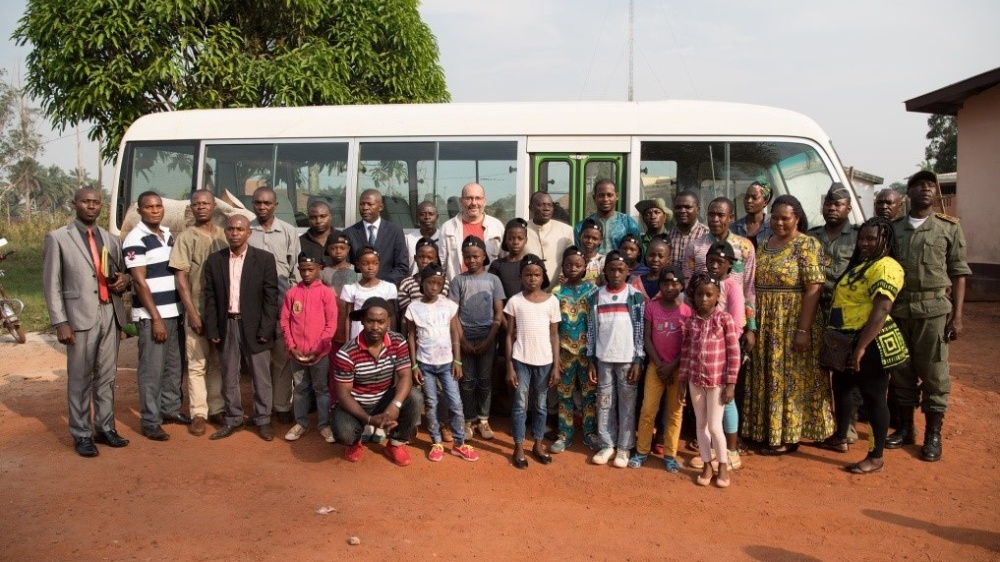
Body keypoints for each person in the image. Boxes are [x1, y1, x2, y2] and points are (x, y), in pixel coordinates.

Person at [887, 170, 971, 462]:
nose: (925, 190)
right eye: (919, 185)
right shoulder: (894, 228)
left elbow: (959, 273)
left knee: (935, 374)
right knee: (901, 371)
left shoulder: (949, 228)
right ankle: (906, 428)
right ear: (908, 192)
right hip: (898, 309)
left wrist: (957, 317)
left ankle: (932, 435)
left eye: (930, 186)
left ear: (936, 194)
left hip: (934, 310)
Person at [43, 187, 132, 457]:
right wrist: (60, 322)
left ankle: (105, 428)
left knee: (106, 376)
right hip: (80, 317)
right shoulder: (58, 238)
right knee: (80, 377)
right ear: (75, 204)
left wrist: (124, 281)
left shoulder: (111, 239)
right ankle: (81, 434)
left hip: (110, 312)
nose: (91, 206)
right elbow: (51, 284)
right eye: (86, 202)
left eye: (96, 202)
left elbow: (121, 272)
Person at [742, 194, 834, 454]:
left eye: (785, 218)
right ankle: (766, 431)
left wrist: (803, 330)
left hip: (793, 322)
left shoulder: (807, 245)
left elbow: (814, 288)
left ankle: (788, 437)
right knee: (767, 376)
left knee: (790, 379)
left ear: (797, 219)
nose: (779, 223)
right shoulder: (763, 245)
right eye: (775, 217)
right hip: (766, 323)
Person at [820, 217, 910, 474]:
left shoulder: (886, 267)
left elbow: (881, 310)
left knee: (873, 399)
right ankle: (841, 437)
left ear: (886, 239)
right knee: (843, 389)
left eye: (872, 238)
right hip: (845, 339)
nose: (865, 243)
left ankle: (876, 456)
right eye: (862, 238)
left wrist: (861, 347)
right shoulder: (863, 264)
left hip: (871, 342)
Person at [203, 215, 280, 441]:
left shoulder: (264, 259)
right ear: (225, 232)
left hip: (256, 326)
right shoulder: (215, 261)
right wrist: (213, 329)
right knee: (229, 374)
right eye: (230, 229)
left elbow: (271, 297)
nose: (235, 233)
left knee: (261, 375)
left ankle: (263, 419)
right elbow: (210, 298)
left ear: (249, 233)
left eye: (240, 229)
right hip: (227, 324)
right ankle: (234, 418)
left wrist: (266, 329)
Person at [123, 191, 187, 441]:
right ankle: (150, 420)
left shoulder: (168, 235)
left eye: (158, 206)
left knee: (173, 366)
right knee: (151, 370)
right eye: (149, 207)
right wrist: (156, 318)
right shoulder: (135, 239)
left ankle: (170, 409)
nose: (155, 210)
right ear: (140, 211)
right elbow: (139, 282)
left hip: (174, 312)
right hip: (153, 317)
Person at [330, 297, 421, 467]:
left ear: (388, 322)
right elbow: (343, 395)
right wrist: (370, 419)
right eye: (371, 321)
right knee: (344, 432)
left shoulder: (398, 341)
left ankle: (395, 444)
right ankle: (355, 442)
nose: (375, 327)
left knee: (415, 397)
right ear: (363, 321)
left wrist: (396, 405)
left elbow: (405, 376)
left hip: (383, 400)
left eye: (380, 321)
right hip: (356, 404)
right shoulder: (346, 353)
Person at [169, 189, 228, 436]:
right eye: (196, 204)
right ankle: (199, 413)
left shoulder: (225, 236)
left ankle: (217, 408)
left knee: (218, 362)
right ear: (191, 208)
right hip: (197, 309)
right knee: (196, 364)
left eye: (205, 203)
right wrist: (191, 312)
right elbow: (180, 278)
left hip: (222, 312)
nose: (201, 207)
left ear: (214, 206)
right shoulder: (186, 237)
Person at [405, 264, 478, 462]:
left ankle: (459, 443)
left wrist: (458, 361)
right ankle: (436, 442)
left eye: (438, 283)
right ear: (422, 282)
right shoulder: (414, 308)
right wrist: (414, 366)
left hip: (447, 364)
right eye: (430, 282)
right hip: (425, 365)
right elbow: (411, 336)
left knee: (455, 402)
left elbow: (455, 332)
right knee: (431, 403)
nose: (434, 287)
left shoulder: (448, 305)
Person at [677, 273, 740, 488]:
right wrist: (682, 382)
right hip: (695, 380)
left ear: (717, 296)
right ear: (693, 297)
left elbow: (733, 352)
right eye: (699, 295)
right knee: (700, 425)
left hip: (717, 381)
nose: (704, 299)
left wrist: (730, 383)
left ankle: (722, 464)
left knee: (715, 426)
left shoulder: (725, 320)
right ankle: (706, 464)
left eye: (709, 295)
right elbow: (685, 353)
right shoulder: (691, 323)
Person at [587, 250, 645, 468]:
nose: (616, 273)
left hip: (627, 359)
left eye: (621, 269)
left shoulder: (634, 296)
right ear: (605, 272)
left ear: (628, 271)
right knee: (604, 402)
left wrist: (638, 360)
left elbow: (639, 330)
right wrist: (591, 358)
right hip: (604, 359)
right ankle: (607, 444)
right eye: (612, 269)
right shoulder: (596, 296)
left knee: (627, 404)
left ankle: (624, 447)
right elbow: (592, 330)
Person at [630, 266, 692, 471]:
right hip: (655, 368)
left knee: (675, 413)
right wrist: (659, 364)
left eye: (675, 282)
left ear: (682, 285)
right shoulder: (652, 308)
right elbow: (646, 338)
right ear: (660, 286)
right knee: (648, 410)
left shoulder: (686, 310)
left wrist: (671, 366)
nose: (670, 286)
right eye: (665, 282)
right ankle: (641, 451)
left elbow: (688, 343)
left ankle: (670, 455)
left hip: (677, 370)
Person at [248, 186, 300, 425]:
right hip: (254, 306)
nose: (262, 207)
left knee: (281, 357)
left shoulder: (288, 232)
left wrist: (295, 303)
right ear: (252, 205)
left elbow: (295, 270)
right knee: (258, 358)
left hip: (281, 304)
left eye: (267, 203)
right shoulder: (246, 231)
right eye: (258, 203)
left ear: (275, 206)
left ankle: (281, 405)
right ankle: (262, 407)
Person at [504, 254, 560, 469]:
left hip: (544, 362)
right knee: (520, 404)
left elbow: (555, 335)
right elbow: (509, 335)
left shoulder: (552, 301)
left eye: (537, 274)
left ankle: (537, 444)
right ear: (521, 277)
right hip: (520, 360)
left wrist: (555, 366)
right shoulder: (515, 301)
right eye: (528, 274)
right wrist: (509, 366)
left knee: (540, 404)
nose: (532, 278)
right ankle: (518, 446)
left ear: (543, 276)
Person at [450, 235, 505, 440]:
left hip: (487, 335)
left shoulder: (493, 280)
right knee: (467, 380)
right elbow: (453, 313)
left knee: (484, 380)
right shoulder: (458, 280)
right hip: (465, 335)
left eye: (475, 256)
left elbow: (498, 313)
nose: (471, 260)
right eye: (467, 257)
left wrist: (490, 339)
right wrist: (462, 339)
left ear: (484, 256)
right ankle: (468, 419)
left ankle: (483, 419)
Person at [281, 254, 339, 443]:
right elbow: (285, 322)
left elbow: (331, 325)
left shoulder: (326, 293)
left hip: (319, 354)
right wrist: (292, 346)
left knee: (321, 389)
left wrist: (318, 349)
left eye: (310, 269)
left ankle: (323, 425)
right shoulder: (292, 293)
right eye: (302, 270)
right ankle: (301, 424)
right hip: (297, 354)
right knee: (300, 389)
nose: (306, 273)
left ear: (318, 269)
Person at [549, 247, 600, 454]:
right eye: (568, 265)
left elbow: (596, 324)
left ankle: (589, 433)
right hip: (564, 354)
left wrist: (593, 357)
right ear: (563, 267)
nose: (573, 268)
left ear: (585, 268)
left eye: (578, 265)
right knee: (565, 395)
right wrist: (555, 359)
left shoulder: (592, 292)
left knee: (589, 395)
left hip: (587, 354)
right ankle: (564, 434)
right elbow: (552, 327)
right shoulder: (556, 293)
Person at [704, 242, 746, 470]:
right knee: (709, 399)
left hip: (723, 350)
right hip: (704, 350)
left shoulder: (732, 287)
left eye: (720, 262)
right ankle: (714, 447)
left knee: (725, 400)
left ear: (729, 264)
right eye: (711, 260)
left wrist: (723, 343)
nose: (714, 265)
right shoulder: (704, 284)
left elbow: (737, 323)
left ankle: (732, 450)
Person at [807, 183, 859, 317]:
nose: (831, 208)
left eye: (837, 204)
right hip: (814, 308)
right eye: (828, 204)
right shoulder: (810, 236)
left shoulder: (858, 237)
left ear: (848, 208)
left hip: (845, 309)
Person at [440, 182, 505, 281]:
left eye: (478, 198)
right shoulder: (447, 228)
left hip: (489, 290)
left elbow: (505, 262)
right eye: (469, 198)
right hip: (457, 291)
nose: (474, 203)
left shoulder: (497, 227)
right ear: (461, 201)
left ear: (485, 201)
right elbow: (441, 265)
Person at [344, 189, 410, 286]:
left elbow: (402, 266)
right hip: (358, 291)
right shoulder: (349, 233)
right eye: (362, 204)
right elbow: (346, 267)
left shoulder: (395, 232)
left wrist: (382, 286)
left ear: (381, 207)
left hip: (386, 292)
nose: (365, 208)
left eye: (370, 204)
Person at [340, 246, 398, 342]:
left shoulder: (388, 288)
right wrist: (347, 342)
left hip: (381, 336)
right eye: (365, 264)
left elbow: (391, 316)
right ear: (358, 265)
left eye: (375, 263)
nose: (370, 267)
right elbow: (348, 318)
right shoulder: (350, 289)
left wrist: (392, 339)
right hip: (357, 336)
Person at [573, 179, 641, 254]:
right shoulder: (581, 227)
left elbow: (638, 254)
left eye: (609, 195)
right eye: (601, 195)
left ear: (617, 196)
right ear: (594, 197)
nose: (605, 199)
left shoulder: (628, 224)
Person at [320, 231, 358, 360]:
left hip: (351, 324)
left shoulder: (356, 272)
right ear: (327, 250)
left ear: (348, 250)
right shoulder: (323, 273)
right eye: (334, 248)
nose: (338, 251)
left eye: (342, 248)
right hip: (330, 325)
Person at [524, 191, 574, 283]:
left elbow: (571, 261)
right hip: (528, 290)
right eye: (541, 205)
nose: (546, 208)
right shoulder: (521, 231)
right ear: (531, 208)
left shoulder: (566, 231)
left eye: (549, 205)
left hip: (558, 291)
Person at [397, 237, 450, 316]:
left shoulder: (444, 282)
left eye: (429, 258)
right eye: (421, 257)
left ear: (435, 260)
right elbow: (406, 314)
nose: (425, 261)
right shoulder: (407, 283)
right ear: (415, 258)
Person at [667, 191, 709, 270]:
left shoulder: (707, 235)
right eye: (678, 207)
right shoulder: (667, 236)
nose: (682, 211)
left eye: (688, 207)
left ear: (697, 210)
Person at [489, 218, 529, 301]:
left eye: (520, 238)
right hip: (503, 311)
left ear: (526, 240)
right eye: (511, 238)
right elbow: (491, 292)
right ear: (505, 240)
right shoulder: (497, 265)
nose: (515, 242)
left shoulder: (530, 264)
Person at [731, 180, 774, 248]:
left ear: (765, 202)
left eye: (754, 198)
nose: (749, 201)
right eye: (746, 197)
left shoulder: (773, 225)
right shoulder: (735, 228)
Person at [405, 201, 441, 275]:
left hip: (437, 283)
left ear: (437, 217)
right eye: (422, 214)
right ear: (417, 217)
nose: (427, 217)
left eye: (431, 214)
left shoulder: (444, 238)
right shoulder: (408, 239)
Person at [630, 235, 668, 301]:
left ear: (668, 260)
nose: (655, 259)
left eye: (660, 256)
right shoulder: (636, 282)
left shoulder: (669, 283)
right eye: (651, 255)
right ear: (646, 256)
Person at [579, 218, 606, 286]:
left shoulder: (603, 261)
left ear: (601, 240)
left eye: (595, 238)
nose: (590, 241)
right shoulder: (572, 258)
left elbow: (605, 284)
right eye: (586, 237)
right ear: (580, 236)